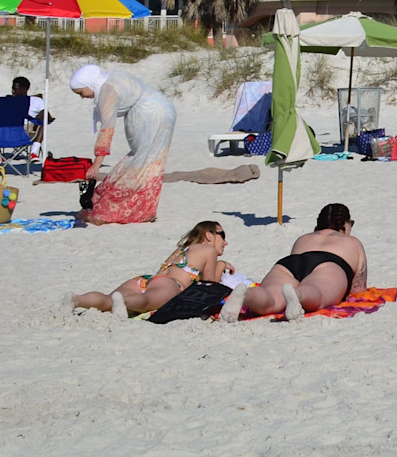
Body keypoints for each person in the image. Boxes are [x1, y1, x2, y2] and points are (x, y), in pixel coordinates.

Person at [69, 65, 175, 225]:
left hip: (150, 115)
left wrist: (96, 164)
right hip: (163, 108)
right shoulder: (111, 77)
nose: (82, 97)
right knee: (149, 163)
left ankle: (129, 208)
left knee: (143, 163)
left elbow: (106, 130)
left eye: (80, 92)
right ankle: (142, 209)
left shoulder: (107, 92)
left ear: (89, 84)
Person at [227, 202, 366, 321]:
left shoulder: (303, 238)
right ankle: (298, 295)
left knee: (272, 298)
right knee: (318, 292)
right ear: (345, 224)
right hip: (328, 264)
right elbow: (358, 289)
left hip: (290, 263)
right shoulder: (352, 242)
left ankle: (247, 294)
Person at [71, 220, 239, 316]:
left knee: (109, 300)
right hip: (170, 284)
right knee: (145, 302)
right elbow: (209, 285)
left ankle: (78, 300)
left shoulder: (182, 249)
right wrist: (221, 265)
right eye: (222, 235)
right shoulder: (208, 250)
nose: (225, 242)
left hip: (146, 279)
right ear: (209, 235)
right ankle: (124, 302)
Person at [12, 76, 51, 158]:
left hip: (27, 130)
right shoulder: (7, 101)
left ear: (25, 89)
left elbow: (47, 117)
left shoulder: (36, 101)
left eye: (16, 89)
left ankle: (34, 153)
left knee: (43, 123)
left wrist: (40, 116)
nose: (13, 91)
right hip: (8, 130)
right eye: (13, 89)